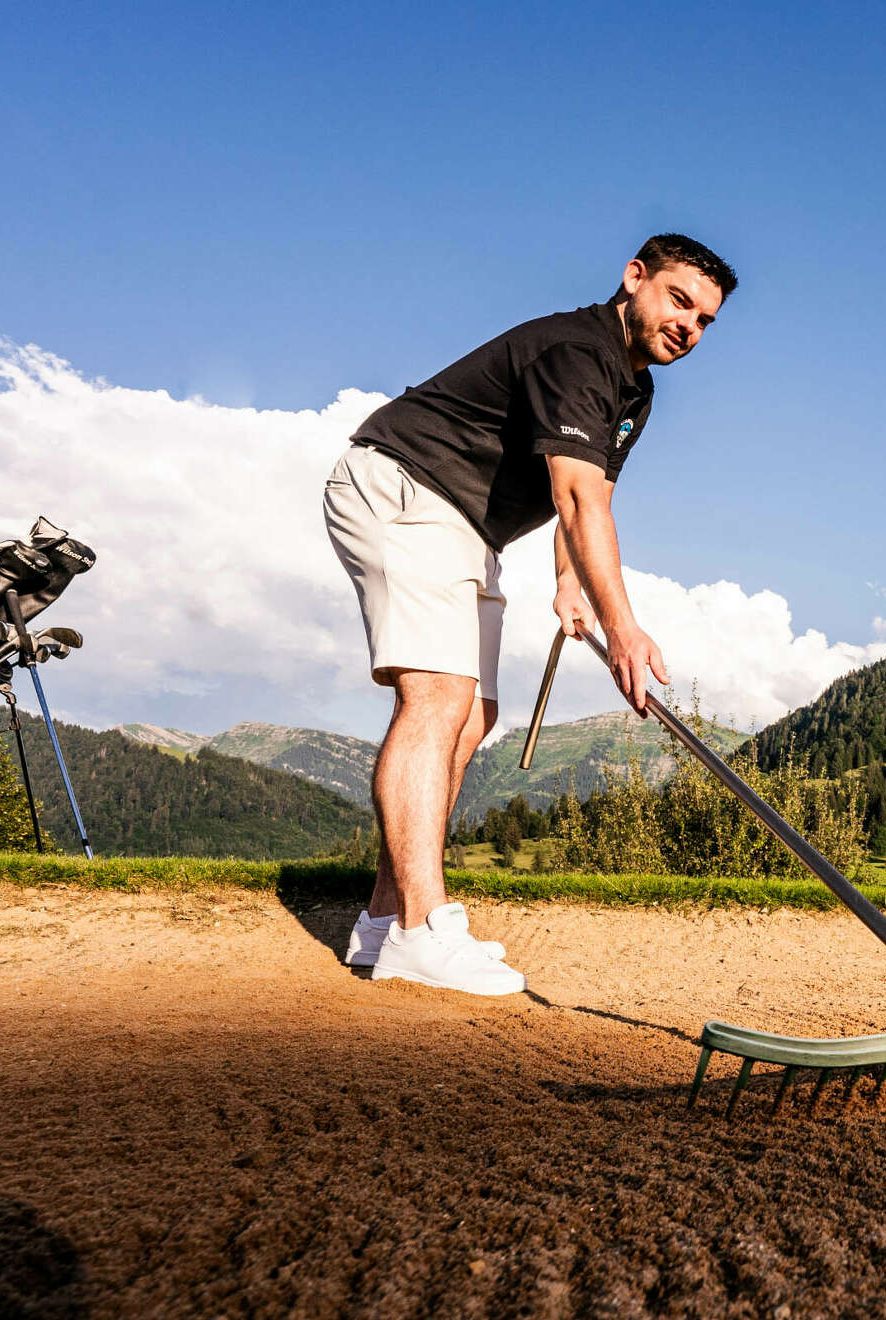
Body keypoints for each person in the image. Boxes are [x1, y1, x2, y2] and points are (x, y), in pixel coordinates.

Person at [323, 234, 736, 995]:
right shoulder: (577, 353)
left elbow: (584, 493)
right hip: (406, 487)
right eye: (680, 300)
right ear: (634, 277)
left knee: (472, 715)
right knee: (437, 699)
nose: (690, 326)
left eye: (706, 320)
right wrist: (624, 630)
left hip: (464, 523)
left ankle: (386, 923)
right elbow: (577, 498)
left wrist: (572, 587)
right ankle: (421, 927)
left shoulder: (633, 391)